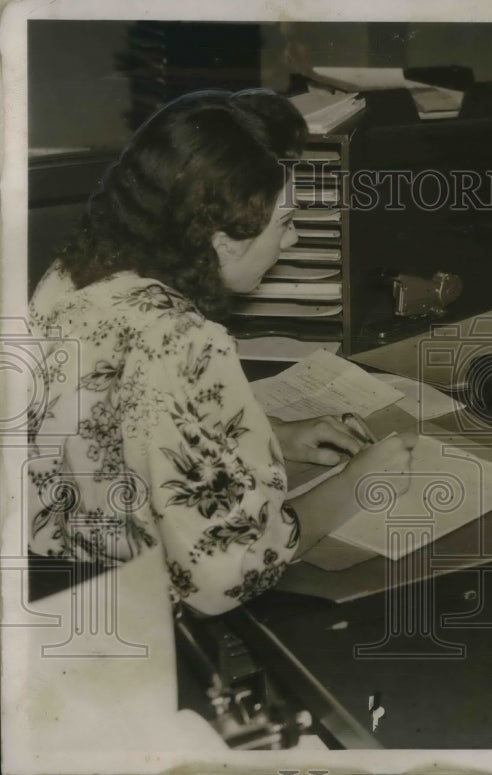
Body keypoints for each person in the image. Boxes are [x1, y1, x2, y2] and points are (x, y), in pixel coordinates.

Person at [26, 90, 414, 616]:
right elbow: (230, 572)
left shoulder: (70, 276)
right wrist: (355, 483)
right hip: (140, 628)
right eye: (285, 222)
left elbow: (125, 430)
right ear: (222, 238)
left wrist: (268, 434)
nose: (293, 240)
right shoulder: (185, 340)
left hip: (50, 589)